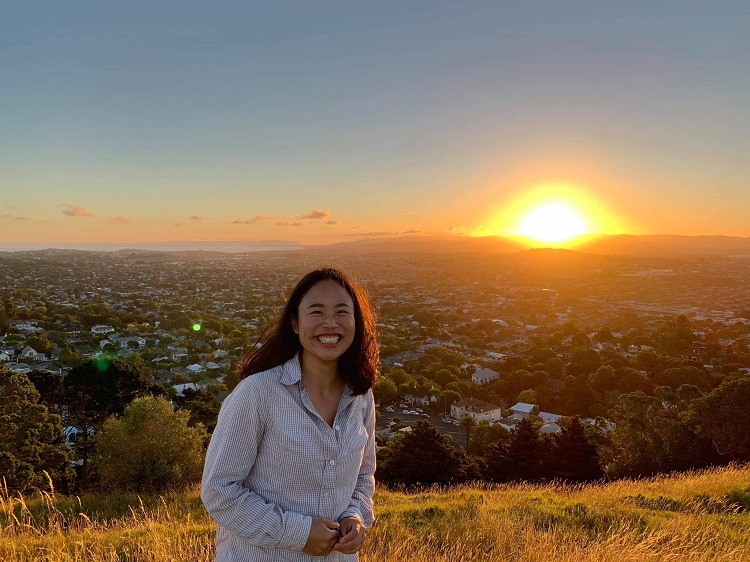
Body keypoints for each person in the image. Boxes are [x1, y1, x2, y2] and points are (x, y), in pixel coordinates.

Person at [201, 267, 379, 561]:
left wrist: (356, 516)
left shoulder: (360, 395)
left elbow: (363, 474)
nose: (330, 323)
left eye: (342, 312)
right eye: (317, 312)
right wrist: (298, 533)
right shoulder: (258, 392)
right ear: (295, 323)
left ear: (357, 323)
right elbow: (219, 491)